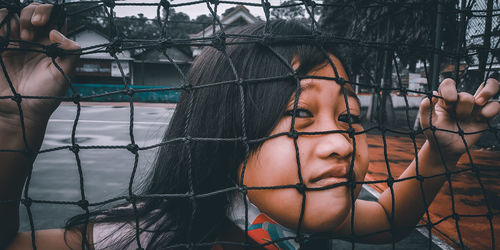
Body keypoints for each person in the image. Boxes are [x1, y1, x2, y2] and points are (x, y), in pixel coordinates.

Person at [1, 3, 499, 250]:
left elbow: (389, 222)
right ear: (224, 132)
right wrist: (12, 124)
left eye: (349, 117)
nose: (340, 143)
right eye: (300, 116)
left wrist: (440, 151)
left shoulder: (295, 214)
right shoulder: (148, 235)